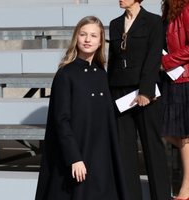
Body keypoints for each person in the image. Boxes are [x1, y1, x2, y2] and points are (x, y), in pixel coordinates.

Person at [35, 16, 128, 200]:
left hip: (101, 159)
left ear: (100, 41)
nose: (87, 40)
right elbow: (61, 121)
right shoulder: (65, 74)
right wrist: (74, 158)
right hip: (76, 159)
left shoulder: (103, 75)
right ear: (76, 38)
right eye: (83, 34)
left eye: (93, 36)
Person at [107, 0, 171, 200]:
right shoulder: (115, 23)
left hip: (144, 93)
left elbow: (153, 58)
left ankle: (160, 196)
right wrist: (110, 95)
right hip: (119, 93)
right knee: (125, 150)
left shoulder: (153, 21)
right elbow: (113, 60)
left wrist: (146, 91)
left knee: (153, 149)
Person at [161, 0, 189, 199]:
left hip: (184, 77)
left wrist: (166, 61)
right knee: (175, 133)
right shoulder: (170, 8)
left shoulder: (186, 8)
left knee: (182, 135)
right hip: (173, 78)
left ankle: (186, 189)